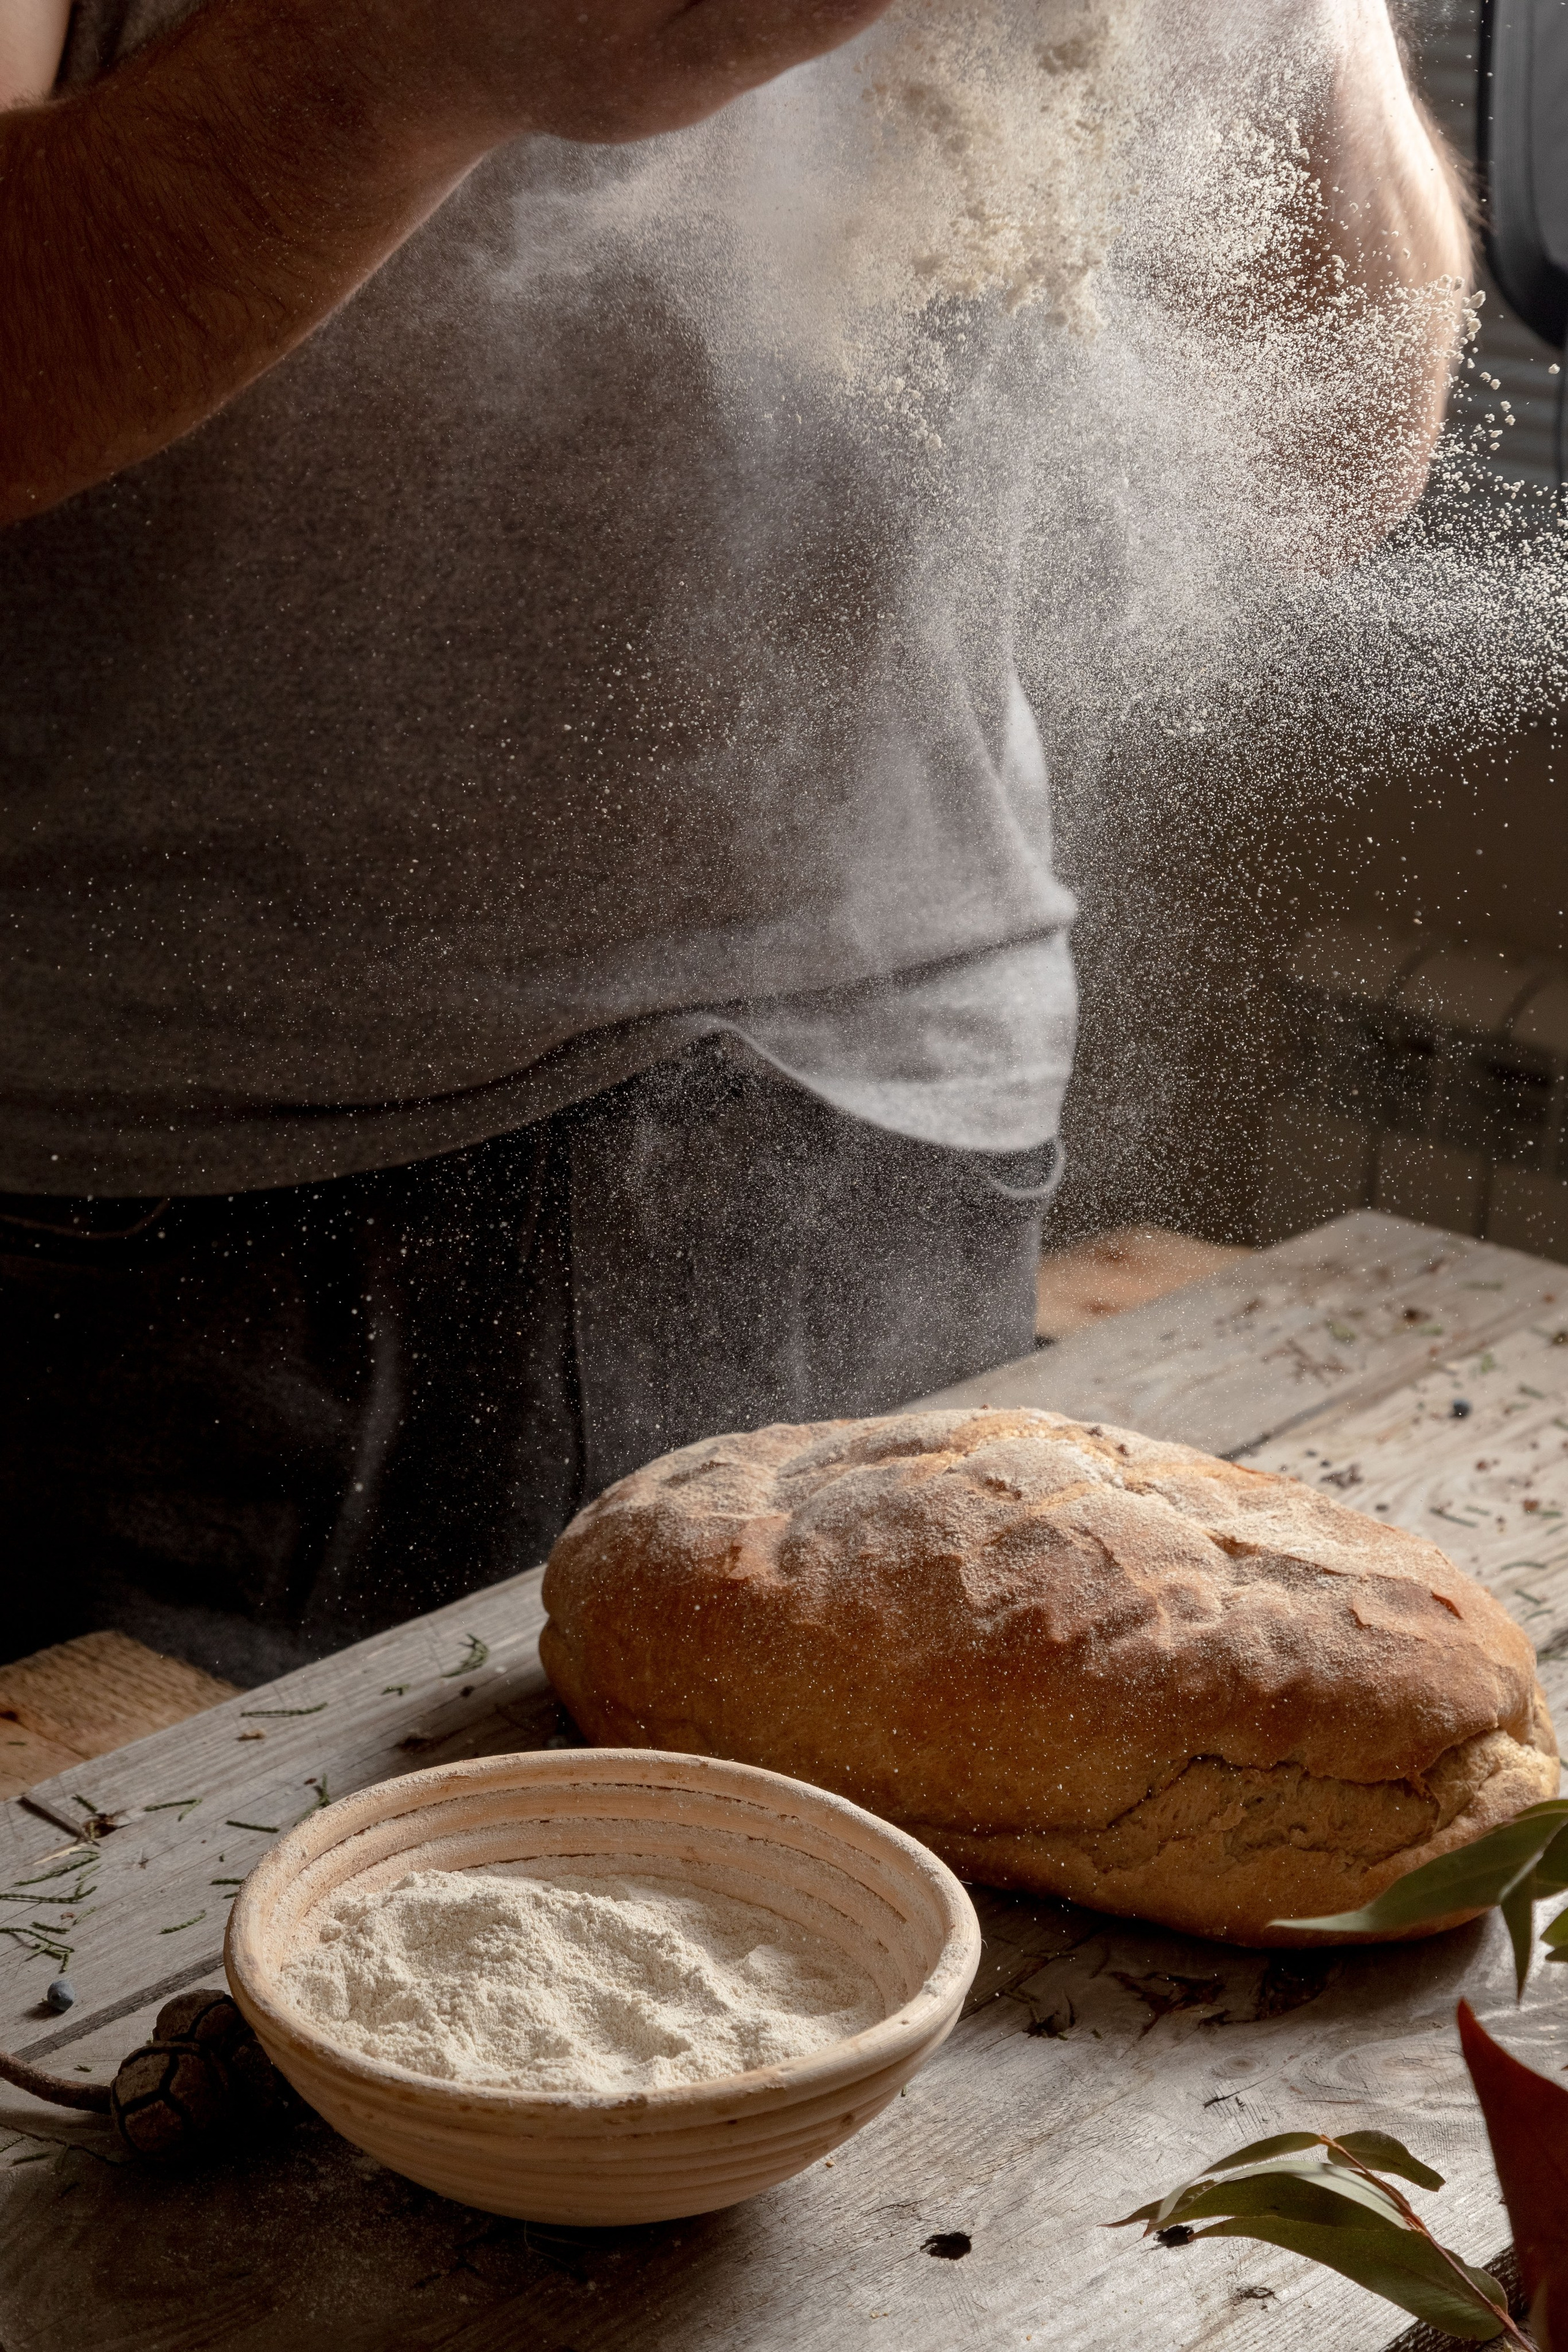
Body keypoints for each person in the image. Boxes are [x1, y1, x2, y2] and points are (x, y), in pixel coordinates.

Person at [0, 0, 1468, 1683]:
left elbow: (1328, 463)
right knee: (121, 1933)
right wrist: (428, 55)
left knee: (902, 1915)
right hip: (166, 1219)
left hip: (871, 1142)